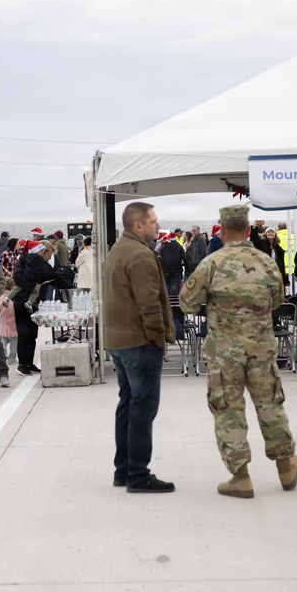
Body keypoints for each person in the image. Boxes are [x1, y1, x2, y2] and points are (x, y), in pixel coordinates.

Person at [180, 205, 297, 499]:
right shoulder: (266, 263)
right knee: (270, 405)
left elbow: (187, 303)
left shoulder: (211, 264)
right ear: (248, 230)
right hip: (261, 349)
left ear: (221, 229)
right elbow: (277, 301)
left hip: (224, 353)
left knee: (228, 412)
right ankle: (285, 465)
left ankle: (240, 477)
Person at [103, 202, 177, 494]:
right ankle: (138, 474)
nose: (158, 226)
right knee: (143, 409)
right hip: (139, 342)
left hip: (119, 341)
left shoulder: (118, 249)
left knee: (129, 405)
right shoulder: (141, 255)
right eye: (153, 222)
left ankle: (124, 470)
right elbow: (149, 305)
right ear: (138, 226)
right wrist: (158, 337)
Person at [11, 240, 70, 376]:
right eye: (46, 253)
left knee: (32, 334)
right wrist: (33, 287)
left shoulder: (42, 265)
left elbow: (55, 279)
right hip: (22, 302)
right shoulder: (25, 261)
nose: (49, 257)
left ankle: (29, 363)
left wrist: (72, 288)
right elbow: (17, 278)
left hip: (34, 303)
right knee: (24, 334)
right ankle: (22, 364)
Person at [157, 231, 188, 296]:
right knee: (175, 283)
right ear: (175, 238)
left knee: (167, 283)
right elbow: (185, 257)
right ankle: (175, 298)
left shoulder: (164, 246)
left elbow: (159, 256)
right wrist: (186, 267)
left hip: (166, 268)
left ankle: (168, 298)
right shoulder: (179, 247)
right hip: (176, 268)